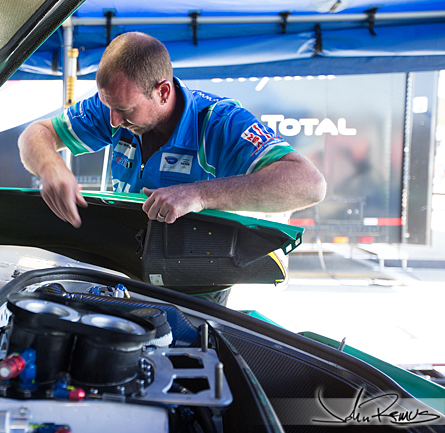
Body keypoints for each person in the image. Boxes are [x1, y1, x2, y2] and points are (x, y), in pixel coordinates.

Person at [18, 32, 326, 304]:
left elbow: (309, 184)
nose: (113, 120)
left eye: (124, 110)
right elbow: (35, 134)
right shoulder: (112, 105)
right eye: (109, 106)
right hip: (123, 273)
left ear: (163, 92)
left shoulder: (220, 123)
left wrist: (199, 194)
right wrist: (51, 168)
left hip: (196, 286)